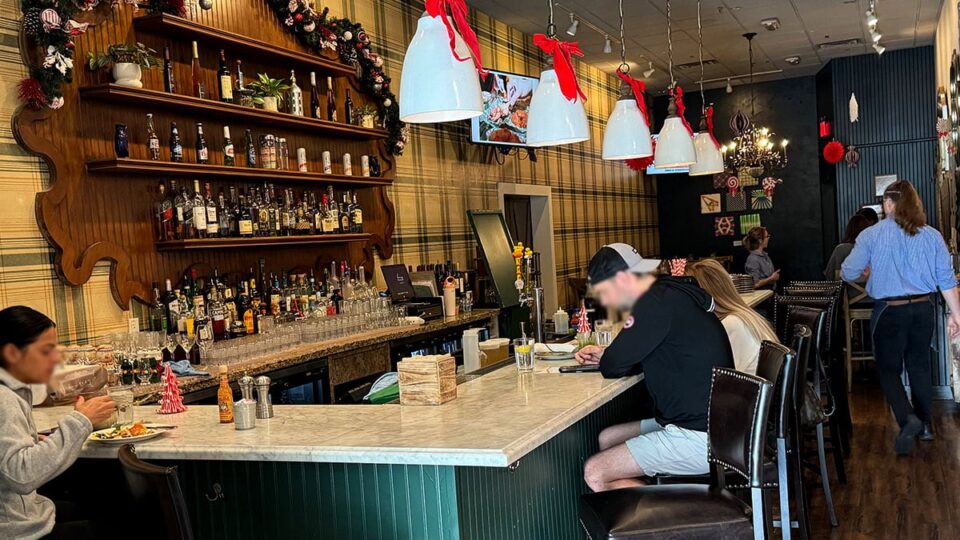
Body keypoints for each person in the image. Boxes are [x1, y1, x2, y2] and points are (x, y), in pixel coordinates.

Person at [576, 244, 734, 492]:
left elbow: (613, 366)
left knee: (596, 472)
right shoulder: (670, 293)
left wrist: (609, 357)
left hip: (699, 437)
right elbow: (634, 355)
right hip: (717, 425)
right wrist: (610, 355)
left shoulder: (652, 303)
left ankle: (667, 523)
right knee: (607, 439)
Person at [841, 180, 960, 455]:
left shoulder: (871, 235)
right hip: (923, 309)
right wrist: (956, 315)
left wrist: (868, 272)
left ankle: (908, 419)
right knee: (919, 367)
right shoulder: (932, 235)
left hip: (889, 311)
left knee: (887, 369)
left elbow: (848, 272)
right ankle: (927, 426)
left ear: (889, 204)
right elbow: (946, 279)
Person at [0, 306, 116, 539]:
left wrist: (34, 442)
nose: (55, 358)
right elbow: (20, 474)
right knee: (114, 521)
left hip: (22, 513)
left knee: (93, 507)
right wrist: (81, 420)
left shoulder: (12, 390)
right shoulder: (4, 398)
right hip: (15, 529)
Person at [688, 259, 779, 375]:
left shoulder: (730, 324)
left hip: (748, 391)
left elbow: (713, 377)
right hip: (762, 389)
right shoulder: (742, 316)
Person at [823, 214, 872, 280]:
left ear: (849, 230)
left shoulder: (840, 250)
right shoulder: (873, 249)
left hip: (847, 289)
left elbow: (829, 275)